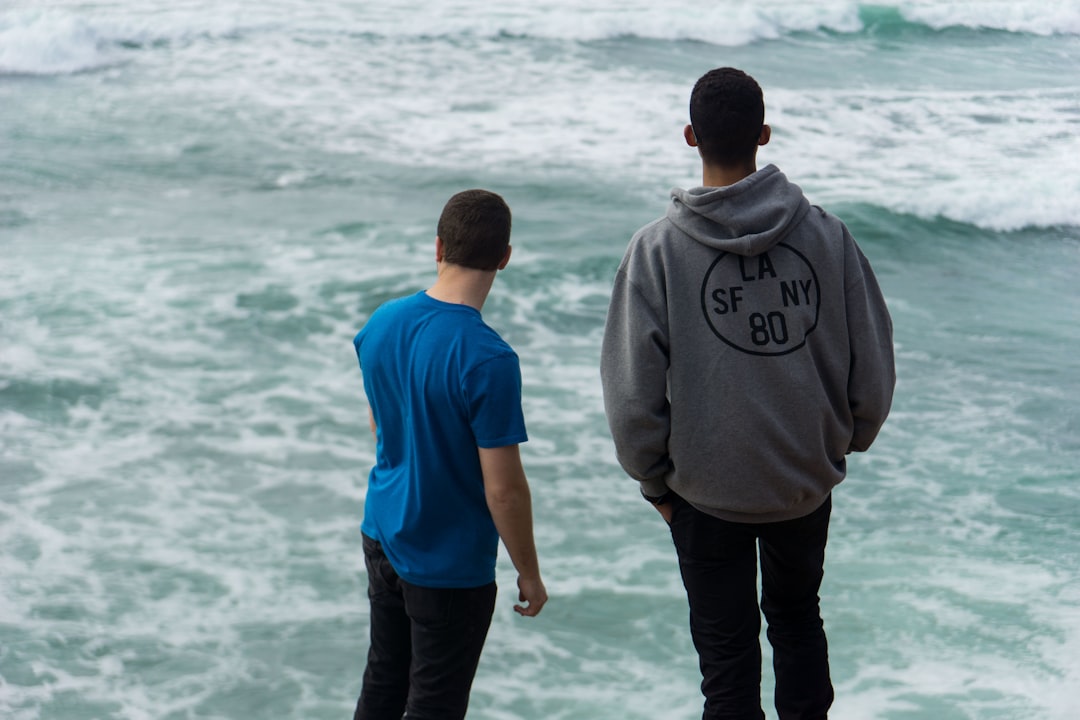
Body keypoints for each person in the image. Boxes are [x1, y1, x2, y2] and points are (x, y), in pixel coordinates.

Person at [600, 68, 895, 720]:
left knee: (727, 671)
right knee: (798, 626)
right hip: (801, 481)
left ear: (690, 137)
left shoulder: (656, 250)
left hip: (704, 493)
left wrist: (656, 483)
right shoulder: (827, 236)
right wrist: (844, 443)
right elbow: (872, 369)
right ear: (763, 135)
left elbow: (630, 399)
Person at [352, 189, 547, 720]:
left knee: (384, 683)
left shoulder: (382, 323)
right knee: (434, 705)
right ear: (504, 257)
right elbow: (503, 488)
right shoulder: (488, 358)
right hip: (447, 562)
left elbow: (382, 426)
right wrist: (528, 571)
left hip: (383, 536)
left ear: (438, 246)